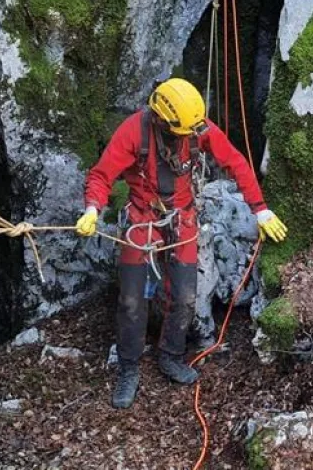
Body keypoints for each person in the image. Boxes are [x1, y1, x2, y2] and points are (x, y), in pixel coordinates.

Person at [74, 78, 287, 409]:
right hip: (143, 219)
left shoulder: (195, 127)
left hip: (183, 218)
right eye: (182, 133)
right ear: (161, 120)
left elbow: (235, 163)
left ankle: (171, 354)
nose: (189, 138)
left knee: (186, 297)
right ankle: (128, 368)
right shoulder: (134, 132)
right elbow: (102, 176)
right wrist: (92, 209)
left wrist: (261, 210)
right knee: (131, 300)